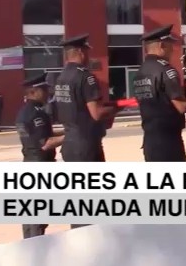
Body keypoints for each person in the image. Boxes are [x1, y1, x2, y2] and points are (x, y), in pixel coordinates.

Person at [54, 34, 117, 230]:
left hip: (70, 143)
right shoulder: (85, 76)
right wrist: (115, 108)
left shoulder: (61, 77)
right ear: (81, 52)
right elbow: (96, 113)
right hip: (86, 145)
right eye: (87, 51)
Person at [132, 25, 186, 162]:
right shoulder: (166, 70)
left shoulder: (140, 71)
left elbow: (160, 97)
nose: (172, 49)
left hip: (149, 141)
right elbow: (181, 107)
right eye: (170, 45)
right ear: (162, 45)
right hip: (168, 141)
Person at [16, 73, 63, 239]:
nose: (47, 93)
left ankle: (29, 244)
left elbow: (43, 134)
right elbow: (46, 142)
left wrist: (66, 131)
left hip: (29, 162)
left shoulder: (24, 112)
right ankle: (35, 247)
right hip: (41, 166)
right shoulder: (37, 113)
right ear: (34, 92)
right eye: (44, 89)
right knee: (39, 217)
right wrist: (72, 136)